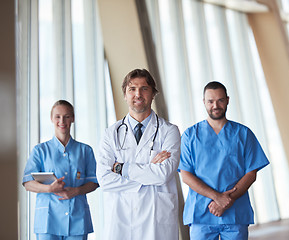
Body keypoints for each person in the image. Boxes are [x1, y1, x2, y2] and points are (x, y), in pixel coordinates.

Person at [96, 68, 181, 240]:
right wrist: (149, 172)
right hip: (121, 219)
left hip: (156, 220)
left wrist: (122, 168)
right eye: (132, 89)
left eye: (144, 88)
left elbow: (163, 174)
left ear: (153, 94)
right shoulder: (110, 134)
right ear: (125, 95)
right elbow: (104, 179)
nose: (138, 94)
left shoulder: (169, 131)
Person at [178, 81, 270, 240]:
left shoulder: (243, 134)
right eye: (210, 101)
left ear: (227, 100)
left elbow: (251, 173)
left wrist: (227, 200)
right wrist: (217, 197)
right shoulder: (190, 135)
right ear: (203, 102)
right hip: (201, 212)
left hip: (234, 212)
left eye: (220, 100)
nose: (215, 105)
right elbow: (186, 175)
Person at [22, 100, 99, 240]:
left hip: (77, 219)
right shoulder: (40, 151)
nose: (62, 121)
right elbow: (27, 183)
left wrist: (76, 191)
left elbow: (93, 182)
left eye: (67, 116)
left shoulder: (85, 150)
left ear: (73, 118)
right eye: (57, 116)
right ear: (51, 118)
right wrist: (49, 189)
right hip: (47, 221)